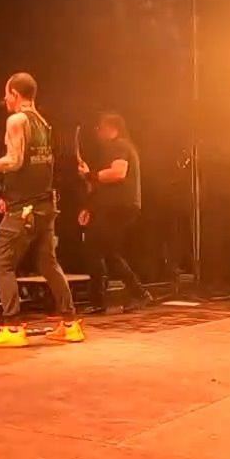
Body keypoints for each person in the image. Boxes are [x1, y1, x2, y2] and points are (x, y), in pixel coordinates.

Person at [0, 72, 83, 347]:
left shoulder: (17, 120)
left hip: (24, 209)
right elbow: (40, 166)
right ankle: (70, 323)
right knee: (48, 263)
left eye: (6, 94)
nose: (4, 99)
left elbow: (15, 161)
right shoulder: (43, 122)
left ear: (15, 93)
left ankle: (12, 327)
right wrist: (8, 195)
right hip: (45, 205)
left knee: (1, 263)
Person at [78, 112, 152, 312]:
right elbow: (103, 184)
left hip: (118, 207)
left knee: (96, 248)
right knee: (107, 251)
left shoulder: (118, 146)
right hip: (115, 206)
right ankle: (134, 294)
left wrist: (90, 175)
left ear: (112, 129)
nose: (98, 132)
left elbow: (118, 173)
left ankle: (102, 300)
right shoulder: (118, 147)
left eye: (100, 128)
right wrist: (89, 206)